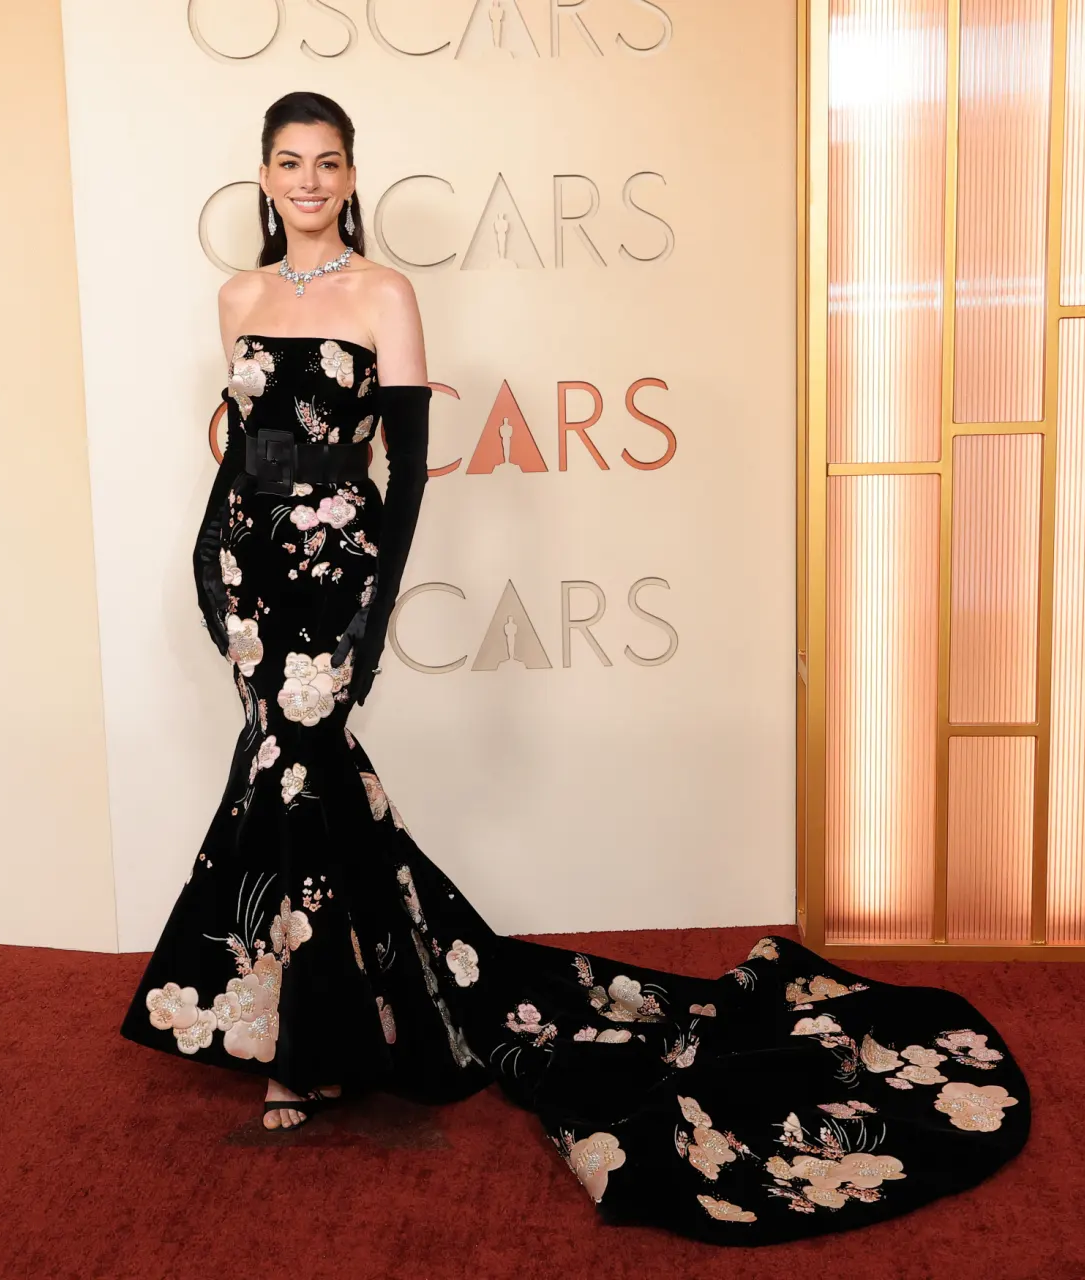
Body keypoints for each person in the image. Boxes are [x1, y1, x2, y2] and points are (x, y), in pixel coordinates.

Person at [122, 91, 1030, 1246]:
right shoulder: (238, 297)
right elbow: (244, 453)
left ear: (353, 177)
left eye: (328, 162)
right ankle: (337, 1020)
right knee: (295, 785)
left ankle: (309, 1050)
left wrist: (371, 621)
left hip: (338, 576)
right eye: (289, 163)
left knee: (298, 780)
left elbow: (404, 474)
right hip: (250, 578)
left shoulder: (386, 295)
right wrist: (210, 563)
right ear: (262, 177)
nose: (308, 180)